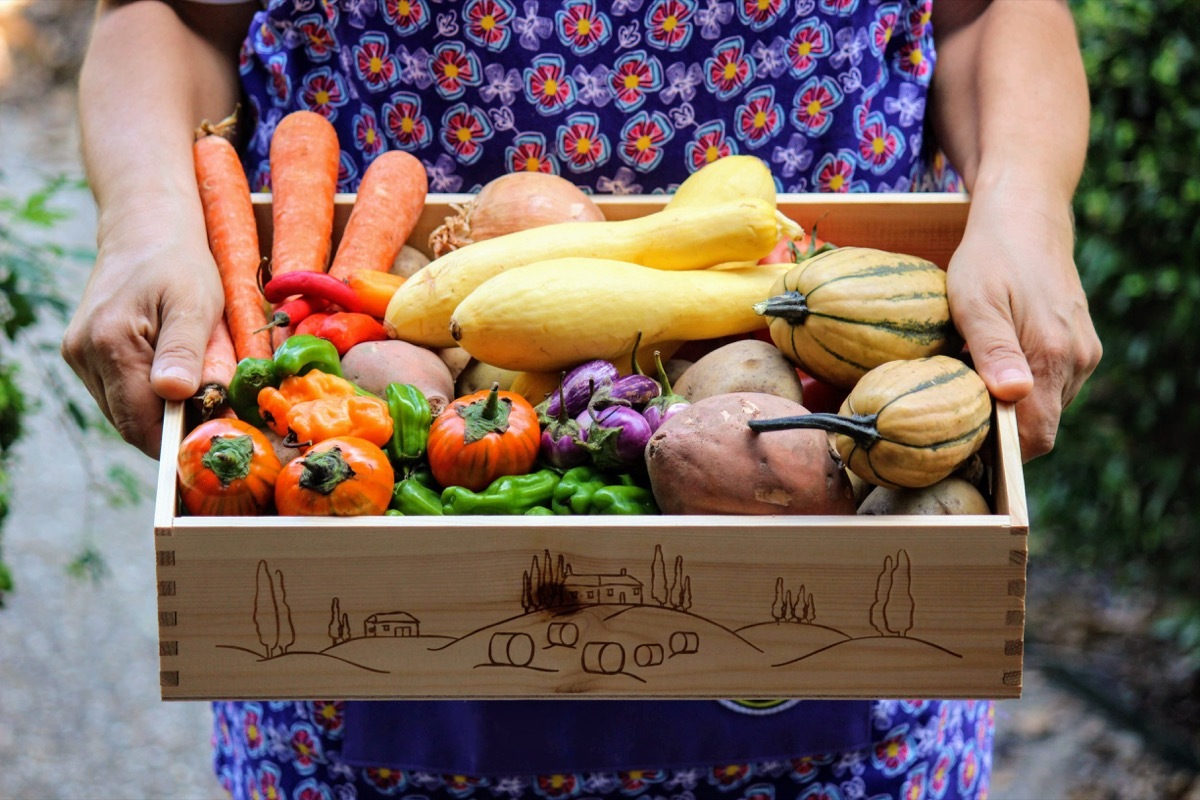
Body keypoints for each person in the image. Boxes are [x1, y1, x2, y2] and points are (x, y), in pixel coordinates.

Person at [63, 1, 1102, 798]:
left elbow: (987, 13)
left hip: (836, 447)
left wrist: (1024, 213)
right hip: (365, 610)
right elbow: (172, 11)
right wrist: (149, 222)